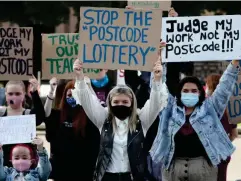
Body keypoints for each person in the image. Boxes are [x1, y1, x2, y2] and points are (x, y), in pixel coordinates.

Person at [72, 58, 168, 181]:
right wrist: (79, 77)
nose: (120, 104)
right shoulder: (103, 119)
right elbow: (87, 100)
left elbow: (155, 102)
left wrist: (157, 79)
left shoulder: (141, 120)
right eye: (116, 102)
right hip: (107, 177)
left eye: (125, 102)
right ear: (110, 104)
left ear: (132, 103)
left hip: (133, 177)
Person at [150, 59, 239, 181]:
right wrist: (160, 64)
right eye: (185, 91)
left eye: (194, 91)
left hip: (204, 171)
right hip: (173, 170)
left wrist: (234, 63)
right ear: (179, 94)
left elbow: (225, 87)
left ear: (200, 93)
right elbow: (158, 89)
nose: (189, 94)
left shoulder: (210, 108)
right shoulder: (169, 109)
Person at [44, 77, 100, 181]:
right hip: (60, 170)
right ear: (64, 97)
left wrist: (89, 88)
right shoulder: (57, 115)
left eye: (76, 95)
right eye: (69, 95)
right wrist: (51, 91)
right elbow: (46, 115)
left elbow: (97, 110)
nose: (72, 98)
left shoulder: (89, 117)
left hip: (83, 171)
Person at [0, 77, 45, 168]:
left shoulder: (28, 114)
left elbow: (40, 116)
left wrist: (35, 93)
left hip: (26, 165)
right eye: (10, 94)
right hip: (4, 165)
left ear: (24, 94)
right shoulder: (1, 114)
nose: (14, 97)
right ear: (6, 94)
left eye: (17, 94)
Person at [205, 74, 238, 181]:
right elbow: (234, 134)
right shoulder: (230, 107)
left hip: (207, 155)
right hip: (223, 154)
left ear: (209, 86)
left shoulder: (205, 106)